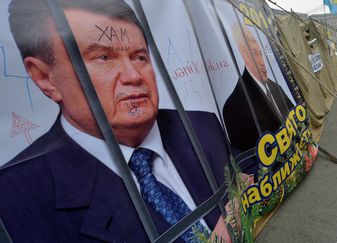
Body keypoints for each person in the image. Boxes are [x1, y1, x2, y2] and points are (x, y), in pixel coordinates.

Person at [0, 0, 231, 242]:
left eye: (139, 57)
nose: (134, 76)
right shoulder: (14, 203)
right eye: (103, 57)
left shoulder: (202, 125)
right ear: (45, 77)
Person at [222, 24, 295, 172]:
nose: (262, 62)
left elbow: (295, 120)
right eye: (255, 53)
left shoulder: (276, 88)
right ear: (243, 54)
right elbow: (252, 162)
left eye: (260, 54)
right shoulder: (233, 106)